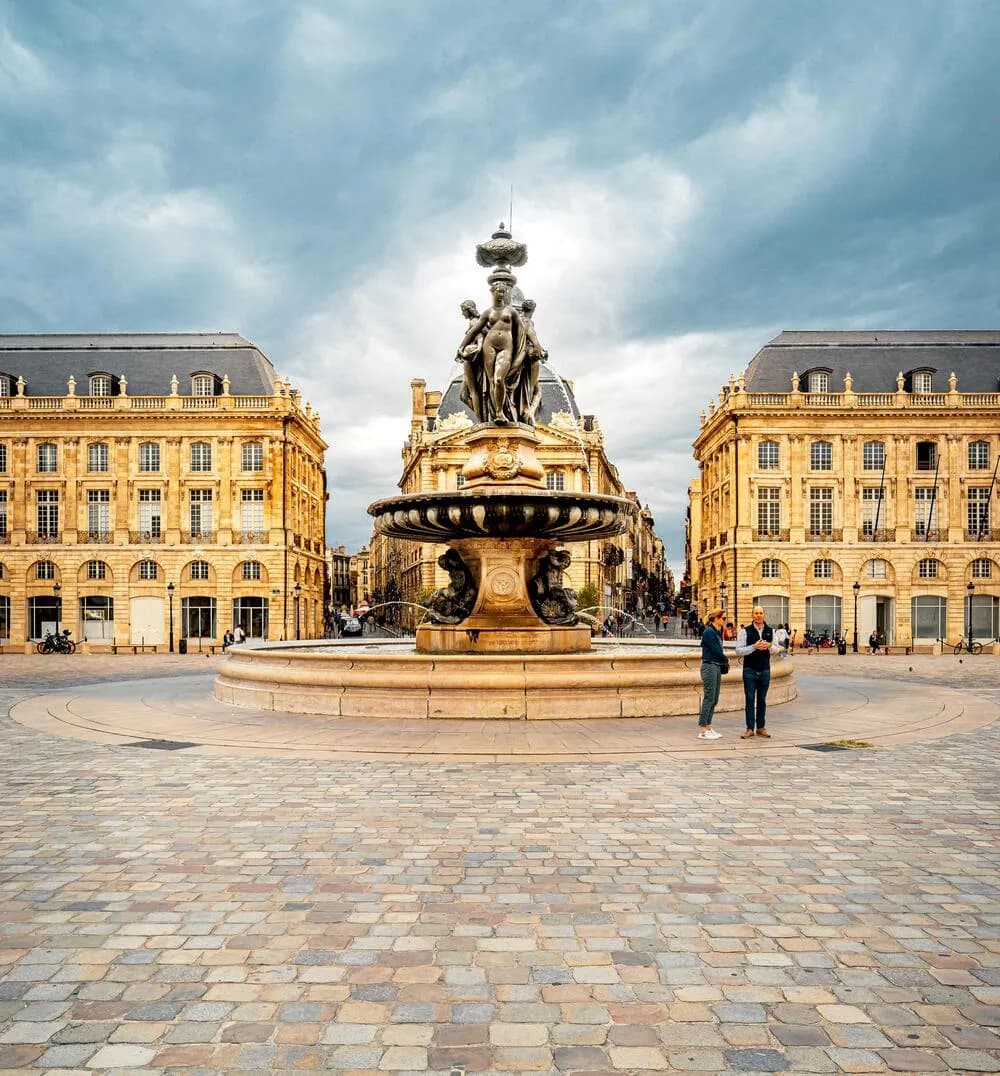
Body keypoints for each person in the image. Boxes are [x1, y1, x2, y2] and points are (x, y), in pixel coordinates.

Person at [735, 606, 780, 738]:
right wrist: (753, 647)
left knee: (762, 699)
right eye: (756, 613)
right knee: (750, 699)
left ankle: (761, 727)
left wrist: (770, 646)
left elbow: (777, 649)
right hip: (750, 669)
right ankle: (750, 728)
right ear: (752, 615)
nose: (758, 615)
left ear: (764, 615)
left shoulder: (771, 631)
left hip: (765, 669)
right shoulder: (745, 631)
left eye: (761, 613)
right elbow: (738, 650)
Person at [697, 608, 728, 739]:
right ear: (716, 618)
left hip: (715, 666)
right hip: (709, 666)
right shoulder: (709, 632)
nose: (725, 621)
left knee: (714, 698)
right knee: (709, 697)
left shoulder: (716, 631)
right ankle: (703, 730)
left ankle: (708, 727)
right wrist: (726, 660)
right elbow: (716, 650)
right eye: (723, 618)